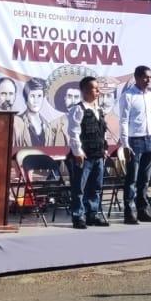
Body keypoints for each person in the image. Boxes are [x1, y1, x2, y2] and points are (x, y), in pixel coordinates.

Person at [64, 76, 111, 230]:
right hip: (84, 157)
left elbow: (102, 132)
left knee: (96, 187)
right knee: (79, 188)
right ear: (84, 90)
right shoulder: (78, 109)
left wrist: (104, 148)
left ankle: (92, 214)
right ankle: (78, 216)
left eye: (98, 88)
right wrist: (77, 151)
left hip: (98, 155)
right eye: (94, 88)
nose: (98, 91)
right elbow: (73, 132)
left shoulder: (98, 110)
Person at [116, 65, 151, 224]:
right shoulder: (128, 96)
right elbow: (123, 121)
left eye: (149, 77)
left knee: (145, 178)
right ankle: (130, 211)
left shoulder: (150, 96)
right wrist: (125, 144)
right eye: (145, 77)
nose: (148, 80)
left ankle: (143, 209)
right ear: (137, 77)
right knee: (132, 178)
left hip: (148, 139)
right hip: (134, 141)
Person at [19, 77, 50, 147]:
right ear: (26, 99)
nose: (36, 101)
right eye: (32, 96)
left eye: (39, 96)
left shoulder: (48, 126)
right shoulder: (17, 122)